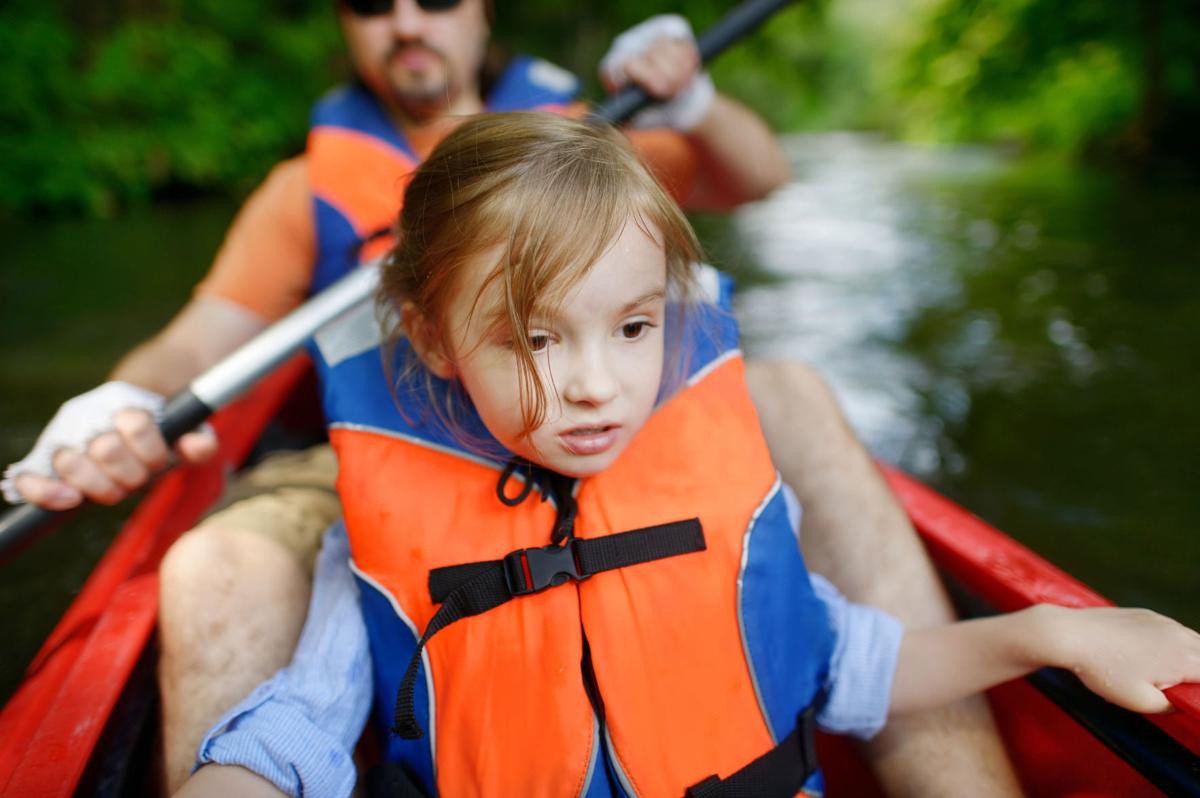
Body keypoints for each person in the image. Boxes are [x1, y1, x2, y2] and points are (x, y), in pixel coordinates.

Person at [3, 2, 1020, 794]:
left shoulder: (582, 139)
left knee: (790, 389)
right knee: (213, 565)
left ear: (481, 10)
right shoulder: (301, 189)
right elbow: (199, 343)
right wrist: (117, 396)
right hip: (378, 447)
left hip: (608, 421)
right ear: (347, 26)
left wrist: (693, 104)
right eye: (372, 1)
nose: (407, 19)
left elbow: (758, 177)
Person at [177, 112, 1200, 797]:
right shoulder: (376, 537)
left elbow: (860, 663)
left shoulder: (734, 496)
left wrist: (1049, 638)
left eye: (632, 327)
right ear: (435, 339)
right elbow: (294, 732)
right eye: (534, 339)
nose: (595, 385)